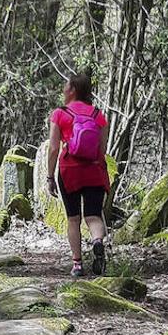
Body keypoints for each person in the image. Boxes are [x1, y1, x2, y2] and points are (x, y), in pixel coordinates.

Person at [47, 72, 110, 277]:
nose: (63, 88)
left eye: (66, 85)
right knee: (93, 215)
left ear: (73, 89)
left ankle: (77, 265)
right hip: (93, 171)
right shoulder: (98, 115)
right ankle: (98, 242)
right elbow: (102, 149)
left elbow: (54, 148)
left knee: (73, 219)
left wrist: (49, 176)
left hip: (69, 171)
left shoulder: (59, 113)